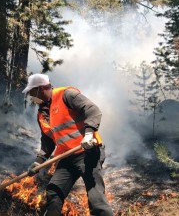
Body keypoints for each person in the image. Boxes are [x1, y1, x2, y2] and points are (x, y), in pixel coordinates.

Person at [22, 73, 113, 216]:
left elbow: (93, 110)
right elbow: (47, 141)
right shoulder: (42, 114)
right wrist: (38, 161)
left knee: (96, 199)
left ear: (40, 89)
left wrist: (89, 134)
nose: (31, 97)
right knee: (54, 192)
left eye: (32, 92)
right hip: (67, 157)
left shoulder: (66, 95)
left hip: (88, 152)